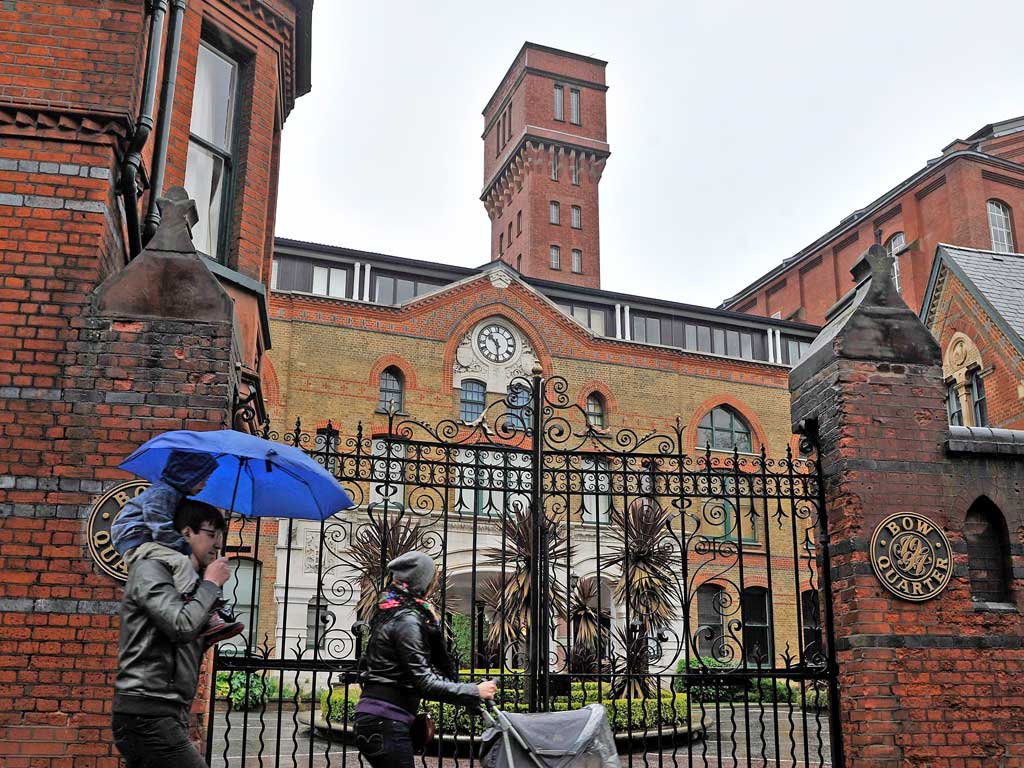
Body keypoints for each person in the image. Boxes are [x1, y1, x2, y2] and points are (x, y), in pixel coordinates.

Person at [112, 499, 231, 768]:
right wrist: (211, 583)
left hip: (167, 710)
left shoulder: (189, 580)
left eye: (220, 536)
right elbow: (181, 626)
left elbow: (182, 637)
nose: (217, 544)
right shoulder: (150, 570)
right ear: (186, 533)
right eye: (211, 535)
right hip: (146, 711)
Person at [355, 552, 498, 768]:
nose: (435, 585)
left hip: (380, 720)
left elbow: (437, 668)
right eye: (433, 578)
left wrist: (431, 626)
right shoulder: (407, 620)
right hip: (385, 721)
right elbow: (424, 682)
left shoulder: (392, 613)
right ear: (423, 581)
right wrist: (474, 691)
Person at [111, 449, 242, 643]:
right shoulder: (163, 492)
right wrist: (183, 546)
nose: (205, 484)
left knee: (191, 564)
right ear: (187, 475)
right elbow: (159, 525)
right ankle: (185, 603)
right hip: (135, 538)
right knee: (181, 562)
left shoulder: (176, 495)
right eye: (202, 478)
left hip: (145, 539)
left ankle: (208, 613)